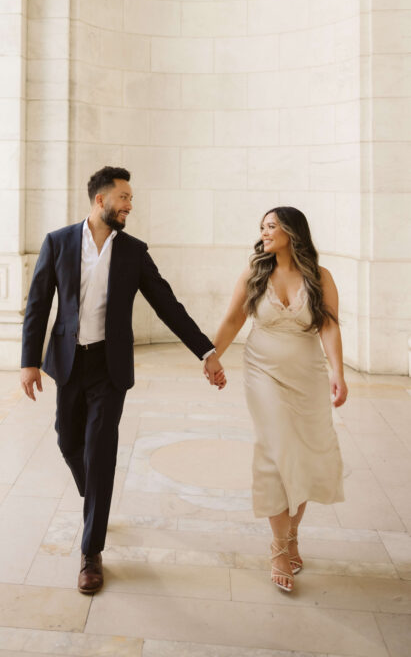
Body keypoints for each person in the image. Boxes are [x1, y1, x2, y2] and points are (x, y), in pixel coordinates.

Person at [20, 166, 226, 595]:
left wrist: (206, 352)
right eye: (125, 198)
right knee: (67, 440)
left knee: (101, 447)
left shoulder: (133, 251)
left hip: (109, 369)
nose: (131, 205)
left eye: (131, 198)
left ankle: (90, 552)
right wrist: (29, 362)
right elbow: (38, 303)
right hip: (68, 361)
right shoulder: (58, 242)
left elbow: (167, 303)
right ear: (101, 201)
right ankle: (94, 494)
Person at [213, 206, 347, 593]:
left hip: (309, 377)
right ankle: (277, 548)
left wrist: (338, 373)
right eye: (262, 227)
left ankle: (290, 539)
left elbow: (329, 326)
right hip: (263, 373)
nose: (264, 232)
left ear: (291, 231)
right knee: (276, 450)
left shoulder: (320, 277)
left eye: (271, 226)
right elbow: (232, 320)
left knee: (303, 456)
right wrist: (212, 355)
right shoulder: (255, 274)